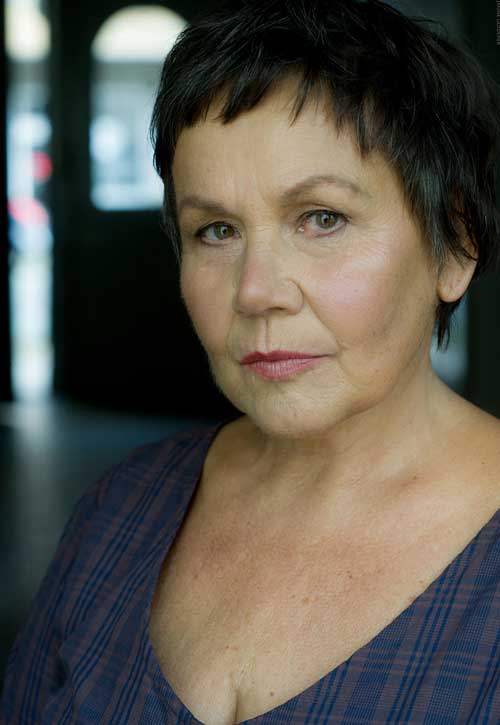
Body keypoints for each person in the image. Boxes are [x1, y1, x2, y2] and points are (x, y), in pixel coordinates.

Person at [3, 0, 500, 722]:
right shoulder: (118, 512)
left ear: (454, 247)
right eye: (216, 230)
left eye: (322, 218)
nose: (256, 291)